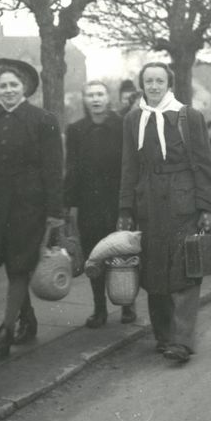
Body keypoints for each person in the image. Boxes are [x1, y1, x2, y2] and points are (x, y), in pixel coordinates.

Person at [118, 62, 211, 363]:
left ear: (169, 84)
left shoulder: (189, 117)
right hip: (149, 203)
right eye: (149, 81)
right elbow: (129, 167)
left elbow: (203, 163)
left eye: (160, 80)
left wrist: (206, 207)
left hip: (182, 201)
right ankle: (163, 336)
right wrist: (125, 208)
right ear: (142, 85)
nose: (155, 86)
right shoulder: (134, 119)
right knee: (154, 269)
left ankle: (182, 341)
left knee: (186, 269)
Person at [0, 58, 64, 357]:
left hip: (30, 206)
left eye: (14, 85)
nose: (9, 90)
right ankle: (27, 318)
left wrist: (54, 212)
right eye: (3, 86)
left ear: (24, 87)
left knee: (19, 265)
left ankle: (6, 329)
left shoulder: (43, 120)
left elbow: (53, 169)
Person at [64, 81, 136, 328]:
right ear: (84, 99)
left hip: (116, 200)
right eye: (90, 95)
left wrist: (129, 201)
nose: (95, 99)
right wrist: (68, 205)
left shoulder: (121, 126)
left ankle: (127, 304)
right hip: (89, 203)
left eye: (100, 94)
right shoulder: (76, 130)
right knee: (94, 256)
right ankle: (99, 309)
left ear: (108, 98)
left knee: (122, 254)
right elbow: (71, 169)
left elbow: (130, 165)